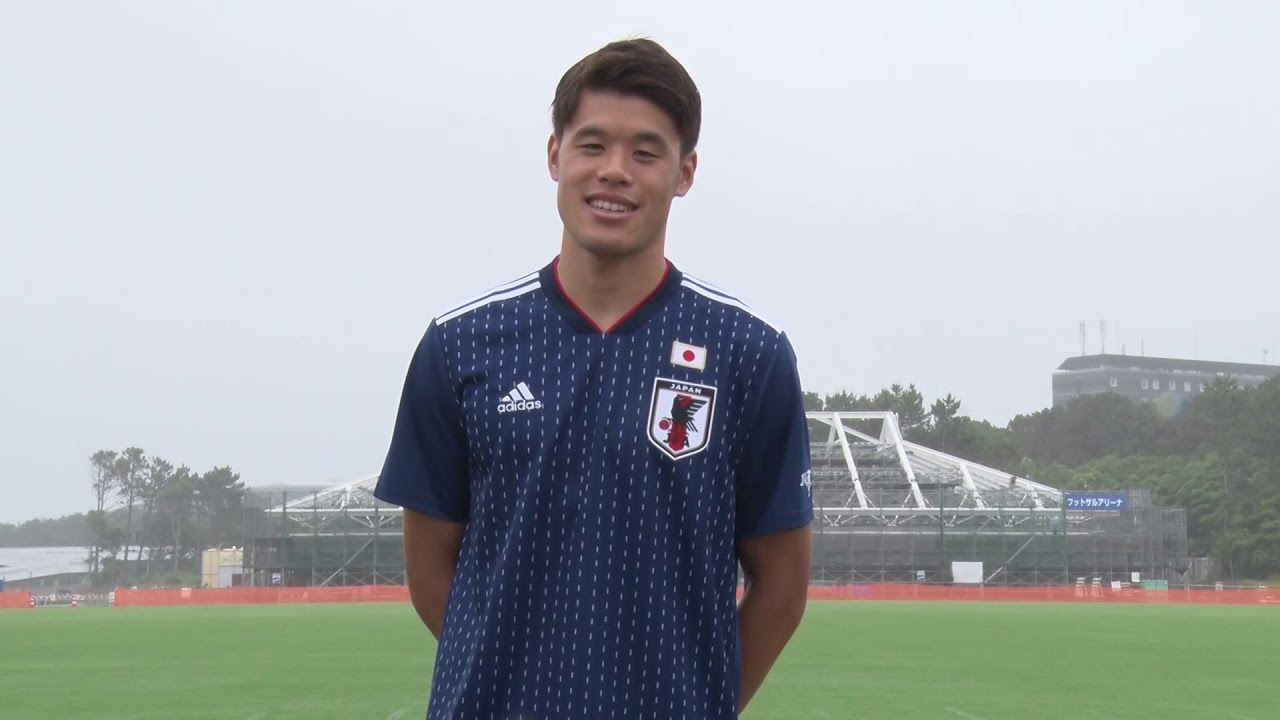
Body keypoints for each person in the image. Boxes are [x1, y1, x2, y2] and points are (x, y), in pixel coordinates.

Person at [374, 37, 813, 719]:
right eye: (592, 145)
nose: (614, 171)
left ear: (685, 172)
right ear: (555, 156)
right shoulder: (460, 345)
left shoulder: (749, 355)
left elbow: (781, 588)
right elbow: (432, 572)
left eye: (645, 152)